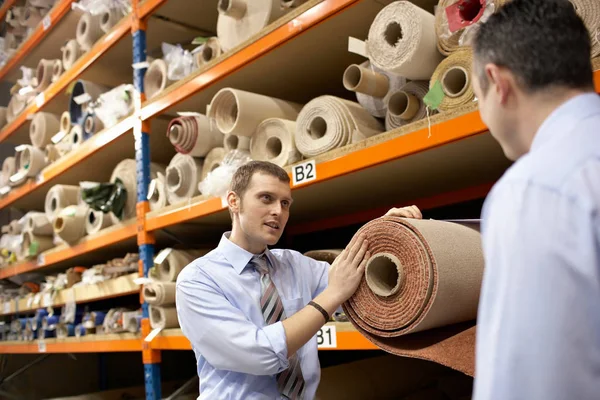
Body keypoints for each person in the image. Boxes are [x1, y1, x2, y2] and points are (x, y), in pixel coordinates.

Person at [176, 160, 420, 399]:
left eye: (285, 203)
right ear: (234, 201)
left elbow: (355, 274)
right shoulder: (198, 280)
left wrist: (383, 231)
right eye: (266, 198)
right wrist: (331, 296)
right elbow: (261, 355)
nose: (278, 212)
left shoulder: (294, 264)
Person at [468, 0, 600, 398]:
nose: (482, 113)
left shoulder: (535, 190)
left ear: (499, 82)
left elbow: (528, 383)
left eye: (478, 97)